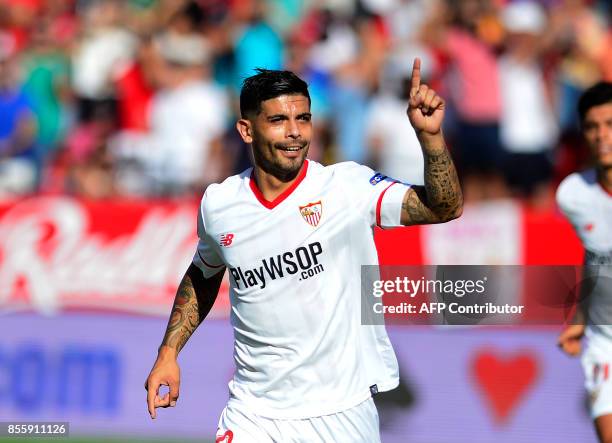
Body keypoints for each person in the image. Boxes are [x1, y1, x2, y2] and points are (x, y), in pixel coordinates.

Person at [145, 59, 463, 442]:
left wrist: (431, 139)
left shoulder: (347, 187)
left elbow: (443, 207)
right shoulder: (220, 204)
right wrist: (169, 352)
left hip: (342, 414)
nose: (295, 133)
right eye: (278, 120)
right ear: (247, 130)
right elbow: (203, 273)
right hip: (253, 413)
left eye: (304, 118)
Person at [557, 82, 612, 443]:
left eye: (610, 124)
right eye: (592, 127)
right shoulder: (572, 194)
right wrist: (579, 317)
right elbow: (595, 254)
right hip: (603, 340)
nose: (601, 136)